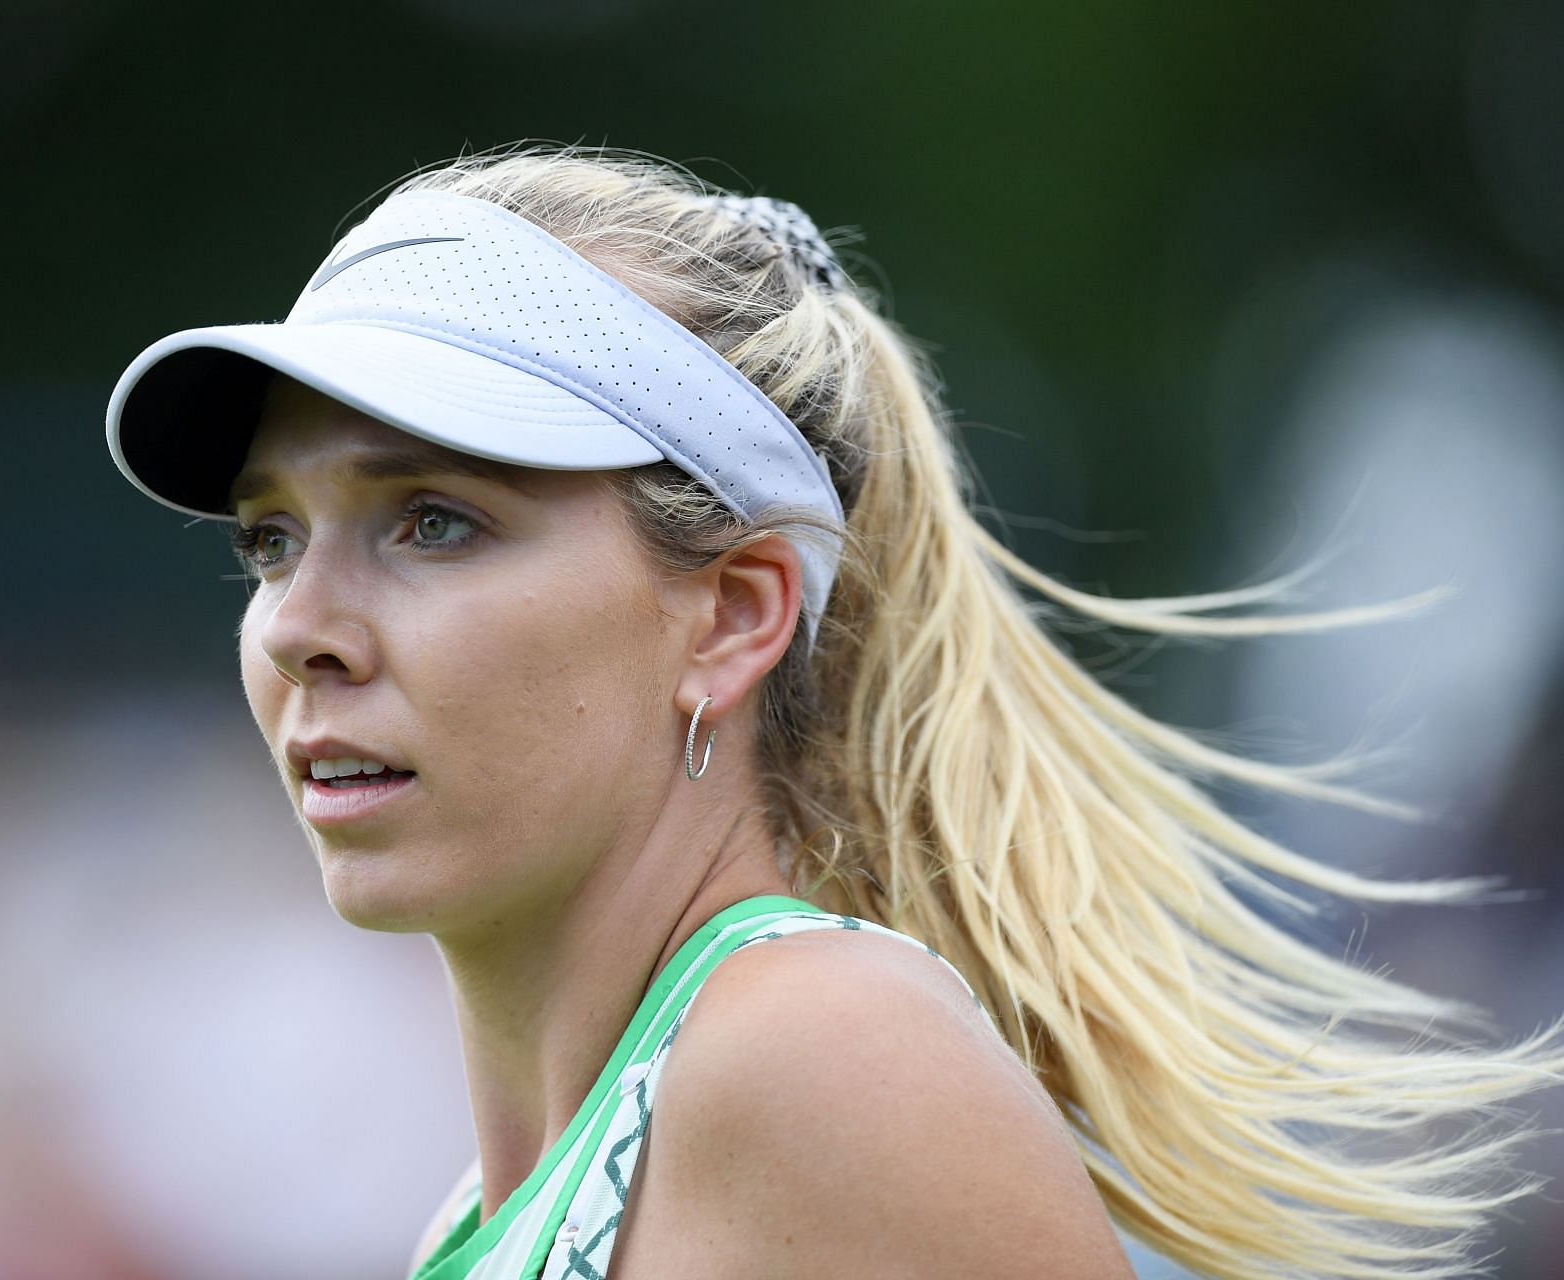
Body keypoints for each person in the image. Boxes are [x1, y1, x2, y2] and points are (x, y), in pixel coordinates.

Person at [102, 143, 1564, 1278]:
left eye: (433, 521)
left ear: (731, 617)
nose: (298, 627)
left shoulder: (814, 1057)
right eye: (270, 538)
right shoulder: (490, 1211)